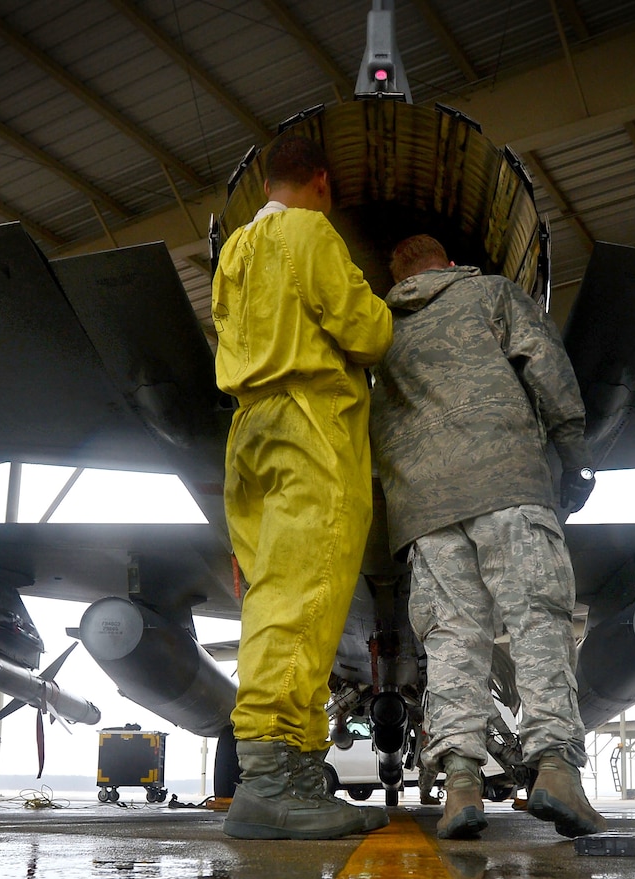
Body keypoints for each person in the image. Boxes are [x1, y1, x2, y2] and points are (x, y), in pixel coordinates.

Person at [370, 234, 606, 841]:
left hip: (423, 507)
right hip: (507, 482)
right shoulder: (491, 294)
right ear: (448, 263)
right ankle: (554, 770)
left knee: (452, 642)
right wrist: (575, 456)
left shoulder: (376, 331)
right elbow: (547, 369)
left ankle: (459, 789)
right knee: (537, 621)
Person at [212, 135, 395, 840]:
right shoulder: (309, 231)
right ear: (320, 181)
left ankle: (272, 773)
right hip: (310, 425)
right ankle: (278, 781)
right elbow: (366, 330)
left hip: (248, 432)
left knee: (269, 599)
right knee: (305, 597)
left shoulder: (234, 252)